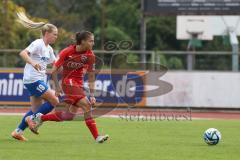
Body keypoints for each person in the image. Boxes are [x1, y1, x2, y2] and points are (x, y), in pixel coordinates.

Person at [27, 31, 109, 143]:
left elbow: (91, 76)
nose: (93, 43)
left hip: (78, 84)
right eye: (91, 41)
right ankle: (97, 137)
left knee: (68, 115)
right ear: (83, 41)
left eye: (93, 41)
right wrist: (57, 87)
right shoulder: (67, 51)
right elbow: (54, 71)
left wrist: (92, 95)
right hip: (68, 83)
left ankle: (40, 118)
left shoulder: (90, 55)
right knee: (86, 105)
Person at [11, 11, 59, 141]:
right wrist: (33, 63)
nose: (56, 37)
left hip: (37, 80)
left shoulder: (49, 49)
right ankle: (31, 119)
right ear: (47, 34)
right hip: (33, 79)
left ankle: (18, 131)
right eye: (54, 34)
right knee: (54, 100)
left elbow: (56, 62)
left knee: (36, 109)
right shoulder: (38, 43)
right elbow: (23, 53)